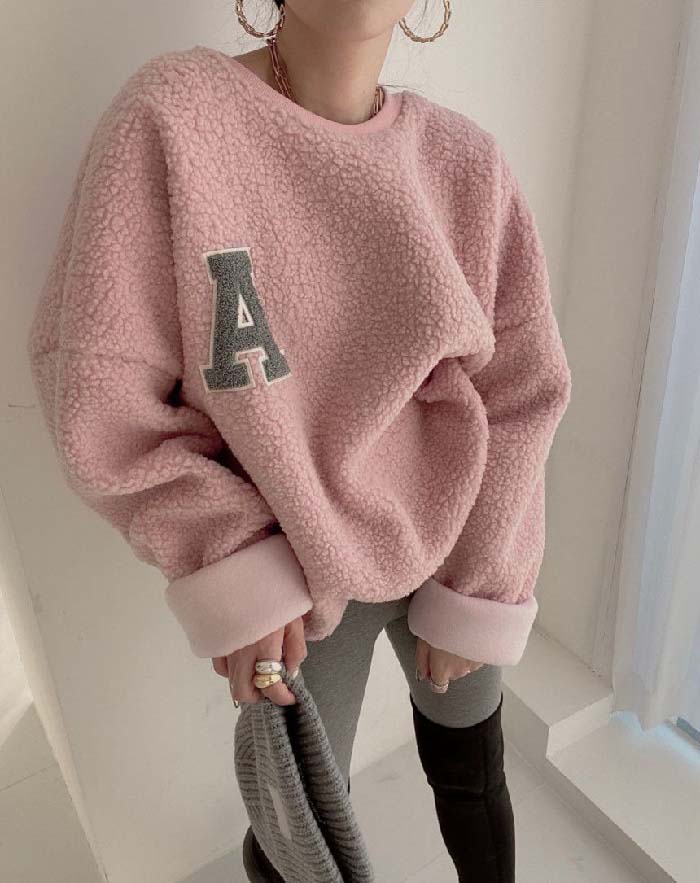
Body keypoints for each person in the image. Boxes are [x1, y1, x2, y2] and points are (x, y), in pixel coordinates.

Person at [26, 2, 572, 881]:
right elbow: (96, 382)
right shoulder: (174, 118)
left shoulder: (465, 162)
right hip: (300, 567)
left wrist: (484, 579)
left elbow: (522, 384)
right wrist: (230, 559)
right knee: (299, 838)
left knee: (473, 771)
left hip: (460, 539)